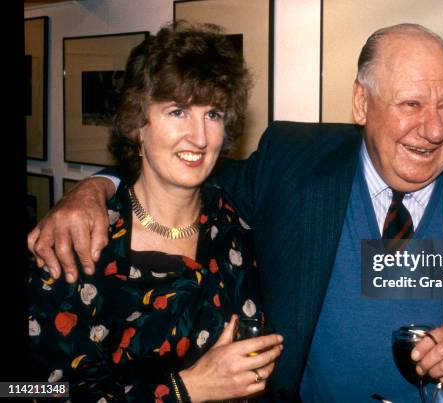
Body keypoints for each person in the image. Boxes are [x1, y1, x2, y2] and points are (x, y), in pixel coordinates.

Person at [29, 24, 443, 402]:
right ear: (362, 103)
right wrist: (95, 188)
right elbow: (28, 388)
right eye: (411, 104)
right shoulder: (290, 166)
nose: (433, 129)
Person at [27, 21, 284, 402]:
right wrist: (185, 390)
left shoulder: (237, 227)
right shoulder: (75, 241)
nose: (199, 137)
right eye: (178, 111)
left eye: (212, 114)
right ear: (137, 125)